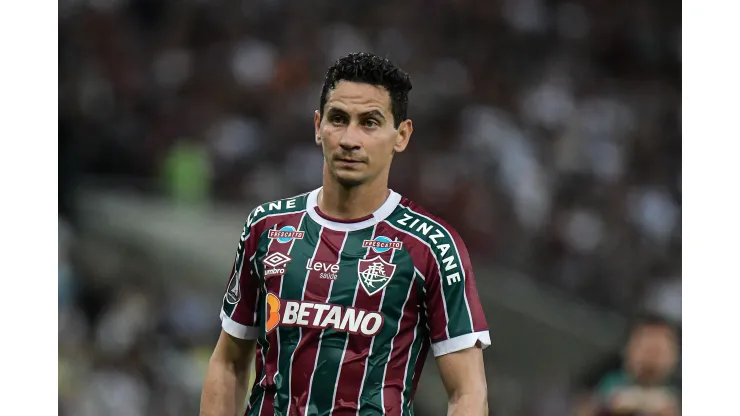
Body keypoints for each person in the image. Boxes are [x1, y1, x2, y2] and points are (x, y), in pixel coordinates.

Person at [200, 52, 490, 416]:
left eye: (370, 122)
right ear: (318, 126)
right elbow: (228, 362)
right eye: (339, 119)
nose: (350, 138)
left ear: (401, 135)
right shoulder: (267, 227)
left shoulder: (431, 246)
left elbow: (467, 392)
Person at [589, 314, 680, 416]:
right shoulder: (608, 382)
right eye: (647, 348)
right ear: (629, 349)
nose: (652, 357)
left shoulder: (675, 395)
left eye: (661, 350)